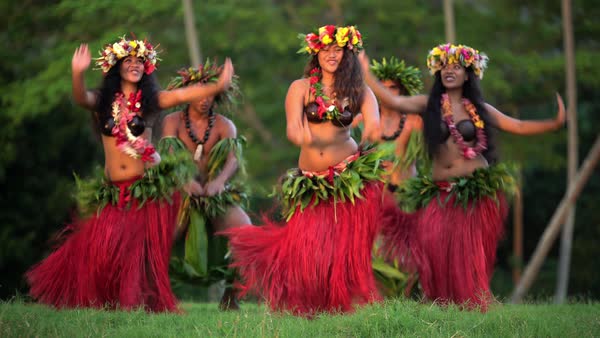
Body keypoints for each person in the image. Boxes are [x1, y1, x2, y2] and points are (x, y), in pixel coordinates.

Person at [26, 36, 233, 313]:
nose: (135, 65)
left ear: (146, 68)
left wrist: (218, 85)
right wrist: (77, 73)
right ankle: (109, 299)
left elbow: (182, 95)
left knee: (134, 253)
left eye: (139, 61)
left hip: (144, 188)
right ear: (116, 67)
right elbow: (80, 97)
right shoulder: (103, 101)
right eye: (129, 61)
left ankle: (132, 303)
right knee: (103, 250)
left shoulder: (150, 101)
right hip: (114, 188)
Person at [361, 43, 565, 311]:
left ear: (468, 74)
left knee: (467, 254)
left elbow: (517, 125)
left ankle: (473, 303)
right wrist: (365, 70)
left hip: (473, 192)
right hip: (439, 191)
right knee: (434, 249)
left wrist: (554, 123)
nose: (449, 71)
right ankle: (440, 302)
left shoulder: (479, 109)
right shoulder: (427, 105)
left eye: (456, 67)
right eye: (444, 66)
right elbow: (393, 101)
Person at [221, 25, 386, 316]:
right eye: (326, 50)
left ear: (347, 54)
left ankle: (343, 305)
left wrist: (371, 129)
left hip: (346, 177)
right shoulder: (300, 87)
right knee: (308, 249)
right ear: (316, 53)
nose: (331, 55)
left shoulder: (359, 90)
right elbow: (292, 129)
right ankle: (310, 302)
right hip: (310, 181)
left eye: (338, 50)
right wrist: (304, 137)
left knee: (343, 248)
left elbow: (373, 123)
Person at [162, 60, 251, 311]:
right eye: (200, 93)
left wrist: (219, 182)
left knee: (246, 232)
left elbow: (234, 159)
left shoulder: (224, 125)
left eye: (210, 94)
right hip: (179, 192)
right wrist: (184, 181)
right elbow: (168, 154)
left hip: (215, 195)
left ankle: (231, 298)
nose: (204, 100)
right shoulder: (172, 121)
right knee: (164, 238)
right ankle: (156, 295)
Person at [353, 57, 426, 298]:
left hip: (405, 195)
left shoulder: (414, 121)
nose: (385, 92)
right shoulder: (365, 119)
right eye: (381, 86)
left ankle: (409, 296)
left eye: (392, 88)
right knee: (376, 253)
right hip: (378, 198)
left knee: (408, 253)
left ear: (402, 92)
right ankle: (380, 299)